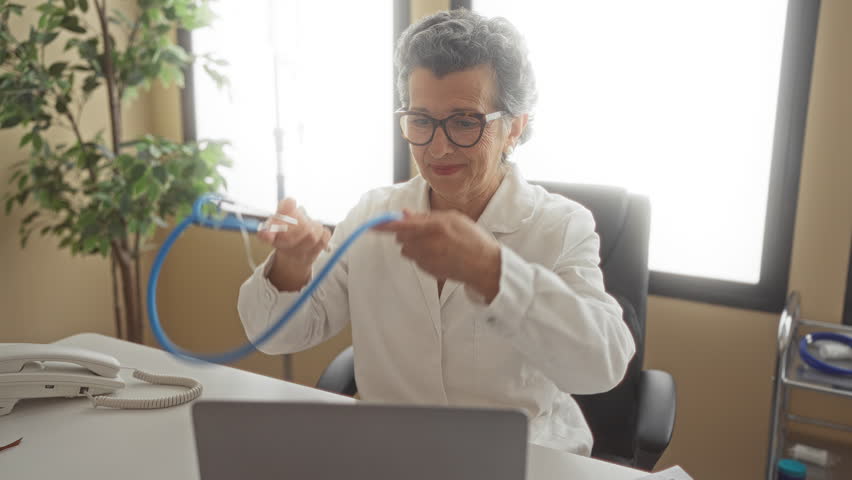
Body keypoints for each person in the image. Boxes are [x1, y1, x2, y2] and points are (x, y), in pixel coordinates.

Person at [238, 8, 635, 455]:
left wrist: (494, 272)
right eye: (422, 121)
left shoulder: (560, 225)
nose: (439, 147)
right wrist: (292, 266)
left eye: (465, 121)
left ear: (515, 127)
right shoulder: (375, 214)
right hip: (390, 453)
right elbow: (274, 338)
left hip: (518, 456)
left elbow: (603, 365)